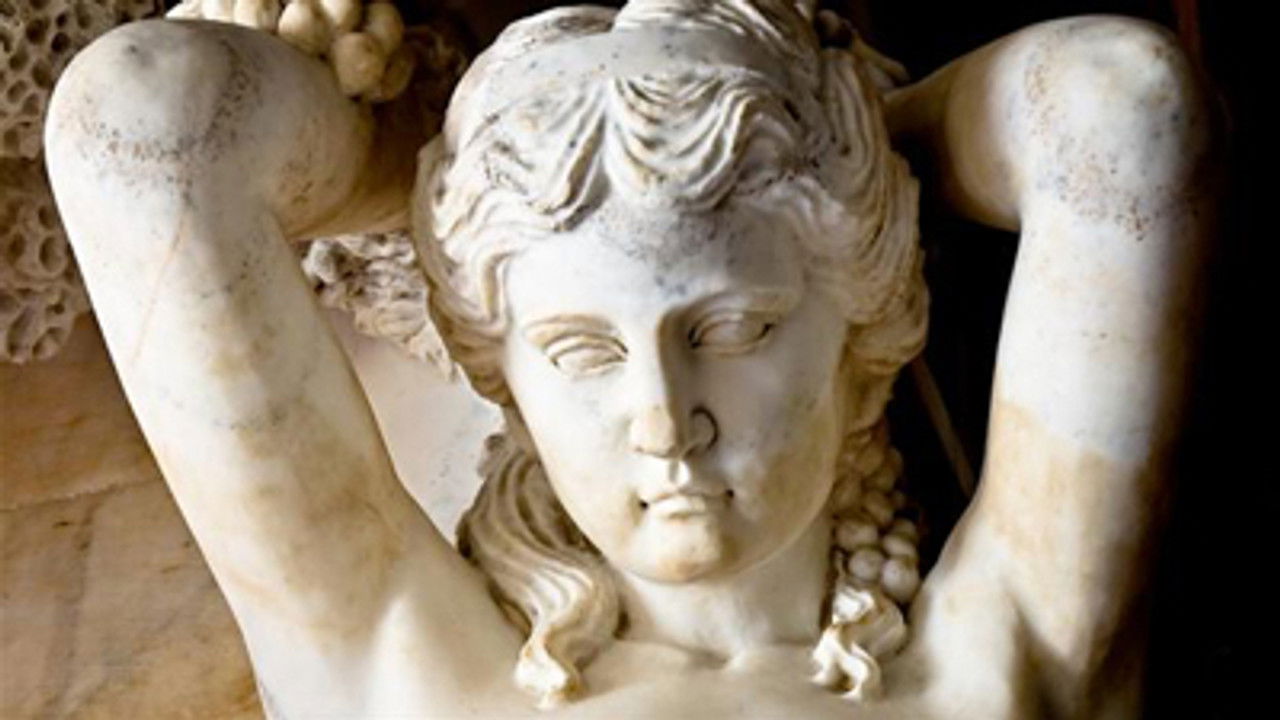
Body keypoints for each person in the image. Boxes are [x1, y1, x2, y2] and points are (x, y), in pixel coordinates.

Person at [44, 1, 1211, 717]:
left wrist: (846, 141)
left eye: (730, 330)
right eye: (580, 351)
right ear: (503, 374)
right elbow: (140, 121)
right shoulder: (406, 673)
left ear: (866, 334)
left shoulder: (999, 668)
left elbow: (1120, 108)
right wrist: (435, 166)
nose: (663, 420)